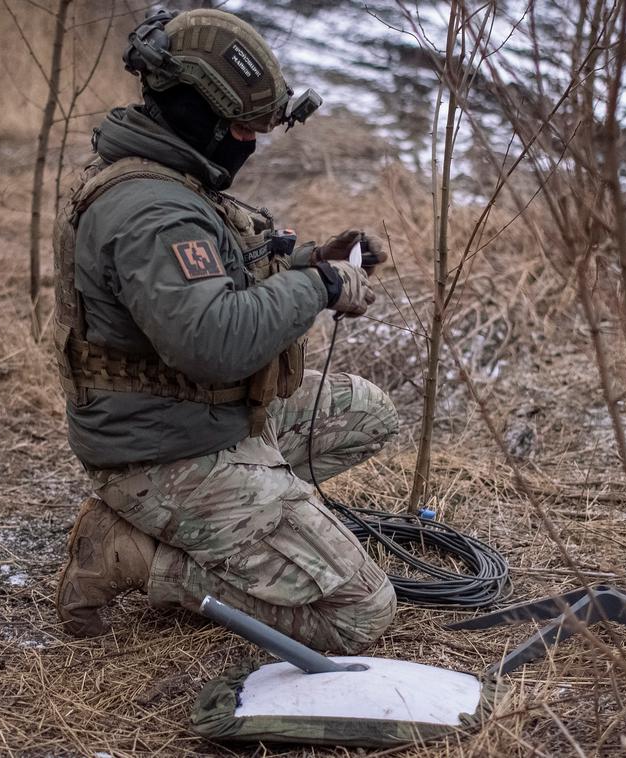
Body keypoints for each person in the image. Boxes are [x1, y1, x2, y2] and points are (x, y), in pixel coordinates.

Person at [50, 8, 399, 654]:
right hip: (158, 454)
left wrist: (310, 261)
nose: (250, 144)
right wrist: (317, 288)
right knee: (361, 610)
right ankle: (132, 555)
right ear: (196, 114)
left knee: (370, 413)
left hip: (200, 419)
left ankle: (247, 516)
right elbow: (212, 341)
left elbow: (218, 283)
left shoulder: (174, 181)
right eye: (241, 128)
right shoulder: (151, 212)